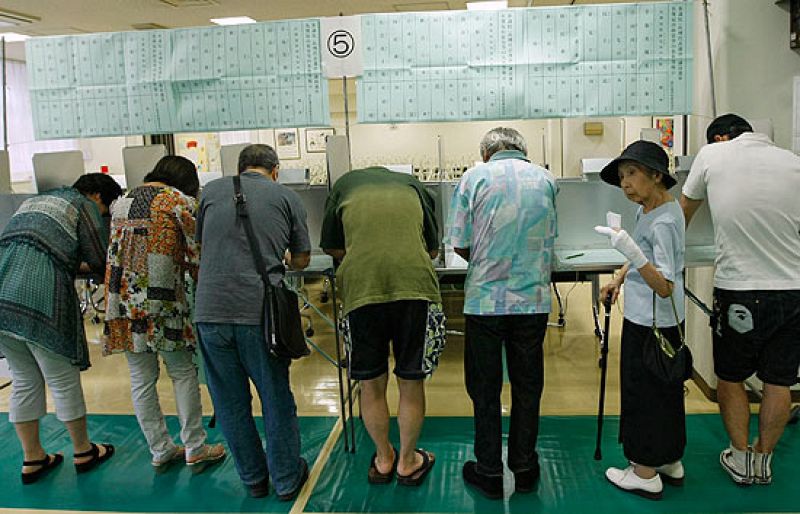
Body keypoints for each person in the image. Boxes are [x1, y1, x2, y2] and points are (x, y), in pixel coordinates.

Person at [680, 113, 800, 486]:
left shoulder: (712, 155)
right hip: (794, 288)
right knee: (779, 381)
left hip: (740, 290)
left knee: (730, 377)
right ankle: (763, 460)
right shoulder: (794, 161)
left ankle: (739, 455)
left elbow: (681, 214)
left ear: (719, 137)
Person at [445, 127, 557, 499]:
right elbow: (551, 234)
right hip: (533, 301)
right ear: (523, 150)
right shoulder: (546, 178)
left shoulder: (473, 178)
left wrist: (488, 259)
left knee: (485, 387)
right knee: (528, 386)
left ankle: (489, 470)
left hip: (486, 301)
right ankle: (524, 468)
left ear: (486, 152)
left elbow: (460, 243)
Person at [194, 144, 311, 499]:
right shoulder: (286, 197)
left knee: (229, 403)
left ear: (240, 167)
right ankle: (287, 480)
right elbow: (303, 260)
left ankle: (254, 480)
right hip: (259, 312)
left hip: (209, 310)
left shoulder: (211, 192)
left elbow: (203, 246)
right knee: (275, 398)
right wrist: (283, 255)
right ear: (274, 170)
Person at [320, 160, 442, 487]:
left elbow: (332, 247)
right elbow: (432, 249)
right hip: (414, 287)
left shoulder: (345, 185)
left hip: (361, 289)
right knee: (410, 383)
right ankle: (408, 461)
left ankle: (384, 458)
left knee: (371, 384)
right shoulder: (415, 186)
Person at [103, 155, 225, 473]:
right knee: (182, 373)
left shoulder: (121, 201)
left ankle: (160, 450)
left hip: (123, 300)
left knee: (141, 378)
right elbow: (198, 252)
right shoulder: (178, 201)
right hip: (163, 300)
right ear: (187, 181)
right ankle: (195, 448)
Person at [0, 173, 122, 484]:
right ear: (97, 196)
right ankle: (83, 451)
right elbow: (98, 259)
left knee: (25, 379)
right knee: (61, 378)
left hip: (2, 293)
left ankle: (33, 457)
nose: (103, 215)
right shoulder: (84, 206)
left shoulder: (33, 201)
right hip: (40, 296)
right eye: (106, 210)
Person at [595, 140, 687, 500]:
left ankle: (644, 472)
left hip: (652, 324)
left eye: (631, 173)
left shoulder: (664, 219)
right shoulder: (649, 208)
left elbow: (664, 285)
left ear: (656, 174)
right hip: (648, 319)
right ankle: (667, 460)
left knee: (644, 395)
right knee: (665, 394)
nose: (625, 183)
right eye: (621, 177)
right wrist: (619, 277)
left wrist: (628, 250)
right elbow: (640, 253)